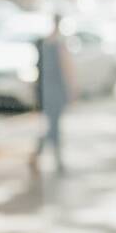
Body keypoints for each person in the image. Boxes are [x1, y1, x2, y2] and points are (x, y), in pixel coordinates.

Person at [30, 14, 74, 173]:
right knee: (54, 126)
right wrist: (71, 89)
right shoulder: (59, 43)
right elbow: (66, 68)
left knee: (53, 125)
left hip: (47, 90)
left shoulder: (45, 42)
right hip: (56, 90)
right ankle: (49, 157)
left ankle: (45, 156)